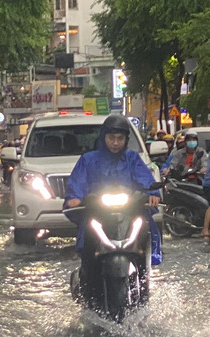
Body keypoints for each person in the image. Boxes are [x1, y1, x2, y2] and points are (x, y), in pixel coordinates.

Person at [65, 113, 162, 269]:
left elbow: (145, 178)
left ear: (126, 140)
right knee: (88, 231)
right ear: (104, 137)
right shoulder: (88, 159)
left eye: (120, 138)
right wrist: (75, 197)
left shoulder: (132, 158)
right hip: (97, 211)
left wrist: (153, 194)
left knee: (145, 227)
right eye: (111, 138)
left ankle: (143, 278)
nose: (115, 143)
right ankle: (87, 274)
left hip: (130, 211)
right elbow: (78, 181)